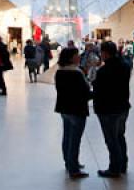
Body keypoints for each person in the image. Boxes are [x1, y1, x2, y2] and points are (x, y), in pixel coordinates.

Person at [92, 41, 130, 178]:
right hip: (123, 107)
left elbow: (98, 90)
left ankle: (114, 168)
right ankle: (123, 165)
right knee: (120, 137)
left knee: (111, 140)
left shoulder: (103, 71)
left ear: (105, 53)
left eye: (101, 52)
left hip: (108, 110)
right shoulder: (125, 66)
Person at [55, 47, 92, 179]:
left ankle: (69, 162)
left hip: (64, 109)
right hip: (77, 110)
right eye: (77, 55)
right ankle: (74, 169)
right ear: (71, 57)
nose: (79, 57)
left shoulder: (59, 72)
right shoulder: (76, 73)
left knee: (67, 137)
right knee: (75, 140)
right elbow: (85, 93)